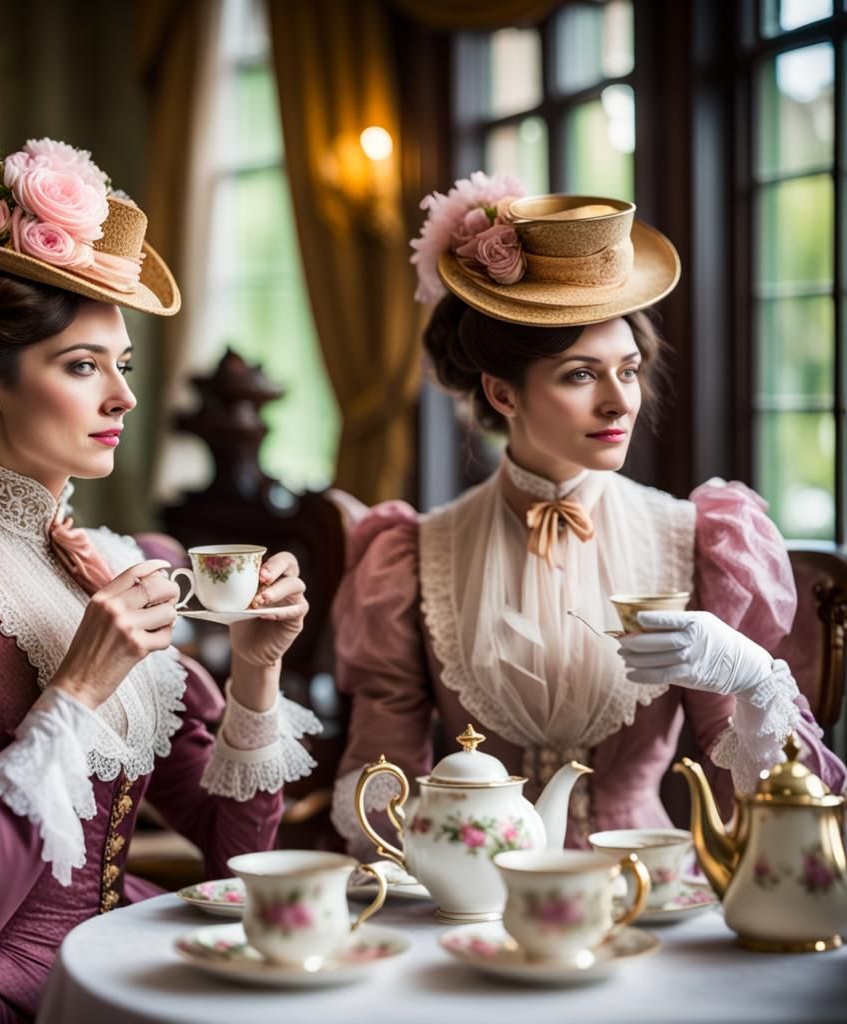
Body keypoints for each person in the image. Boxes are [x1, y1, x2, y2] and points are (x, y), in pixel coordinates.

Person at [0, 129, 317, 1022]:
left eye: (120, 366)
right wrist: (80, 685)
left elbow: (232, 849)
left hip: (112, 966)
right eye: (83, 367)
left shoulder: (122, 568)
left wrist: (257, 667)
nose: (123, 397)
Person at [331, 172, 846, 857]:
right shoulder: (414, 555)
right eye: (580, 374)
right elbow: (379, 786)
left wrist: (750, 678)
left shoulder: (699, 540)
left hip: (653, 896)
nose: (619, 402)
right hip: (476, 902)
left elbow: (776, 810)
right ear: (502, 393)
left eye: (628, 370)